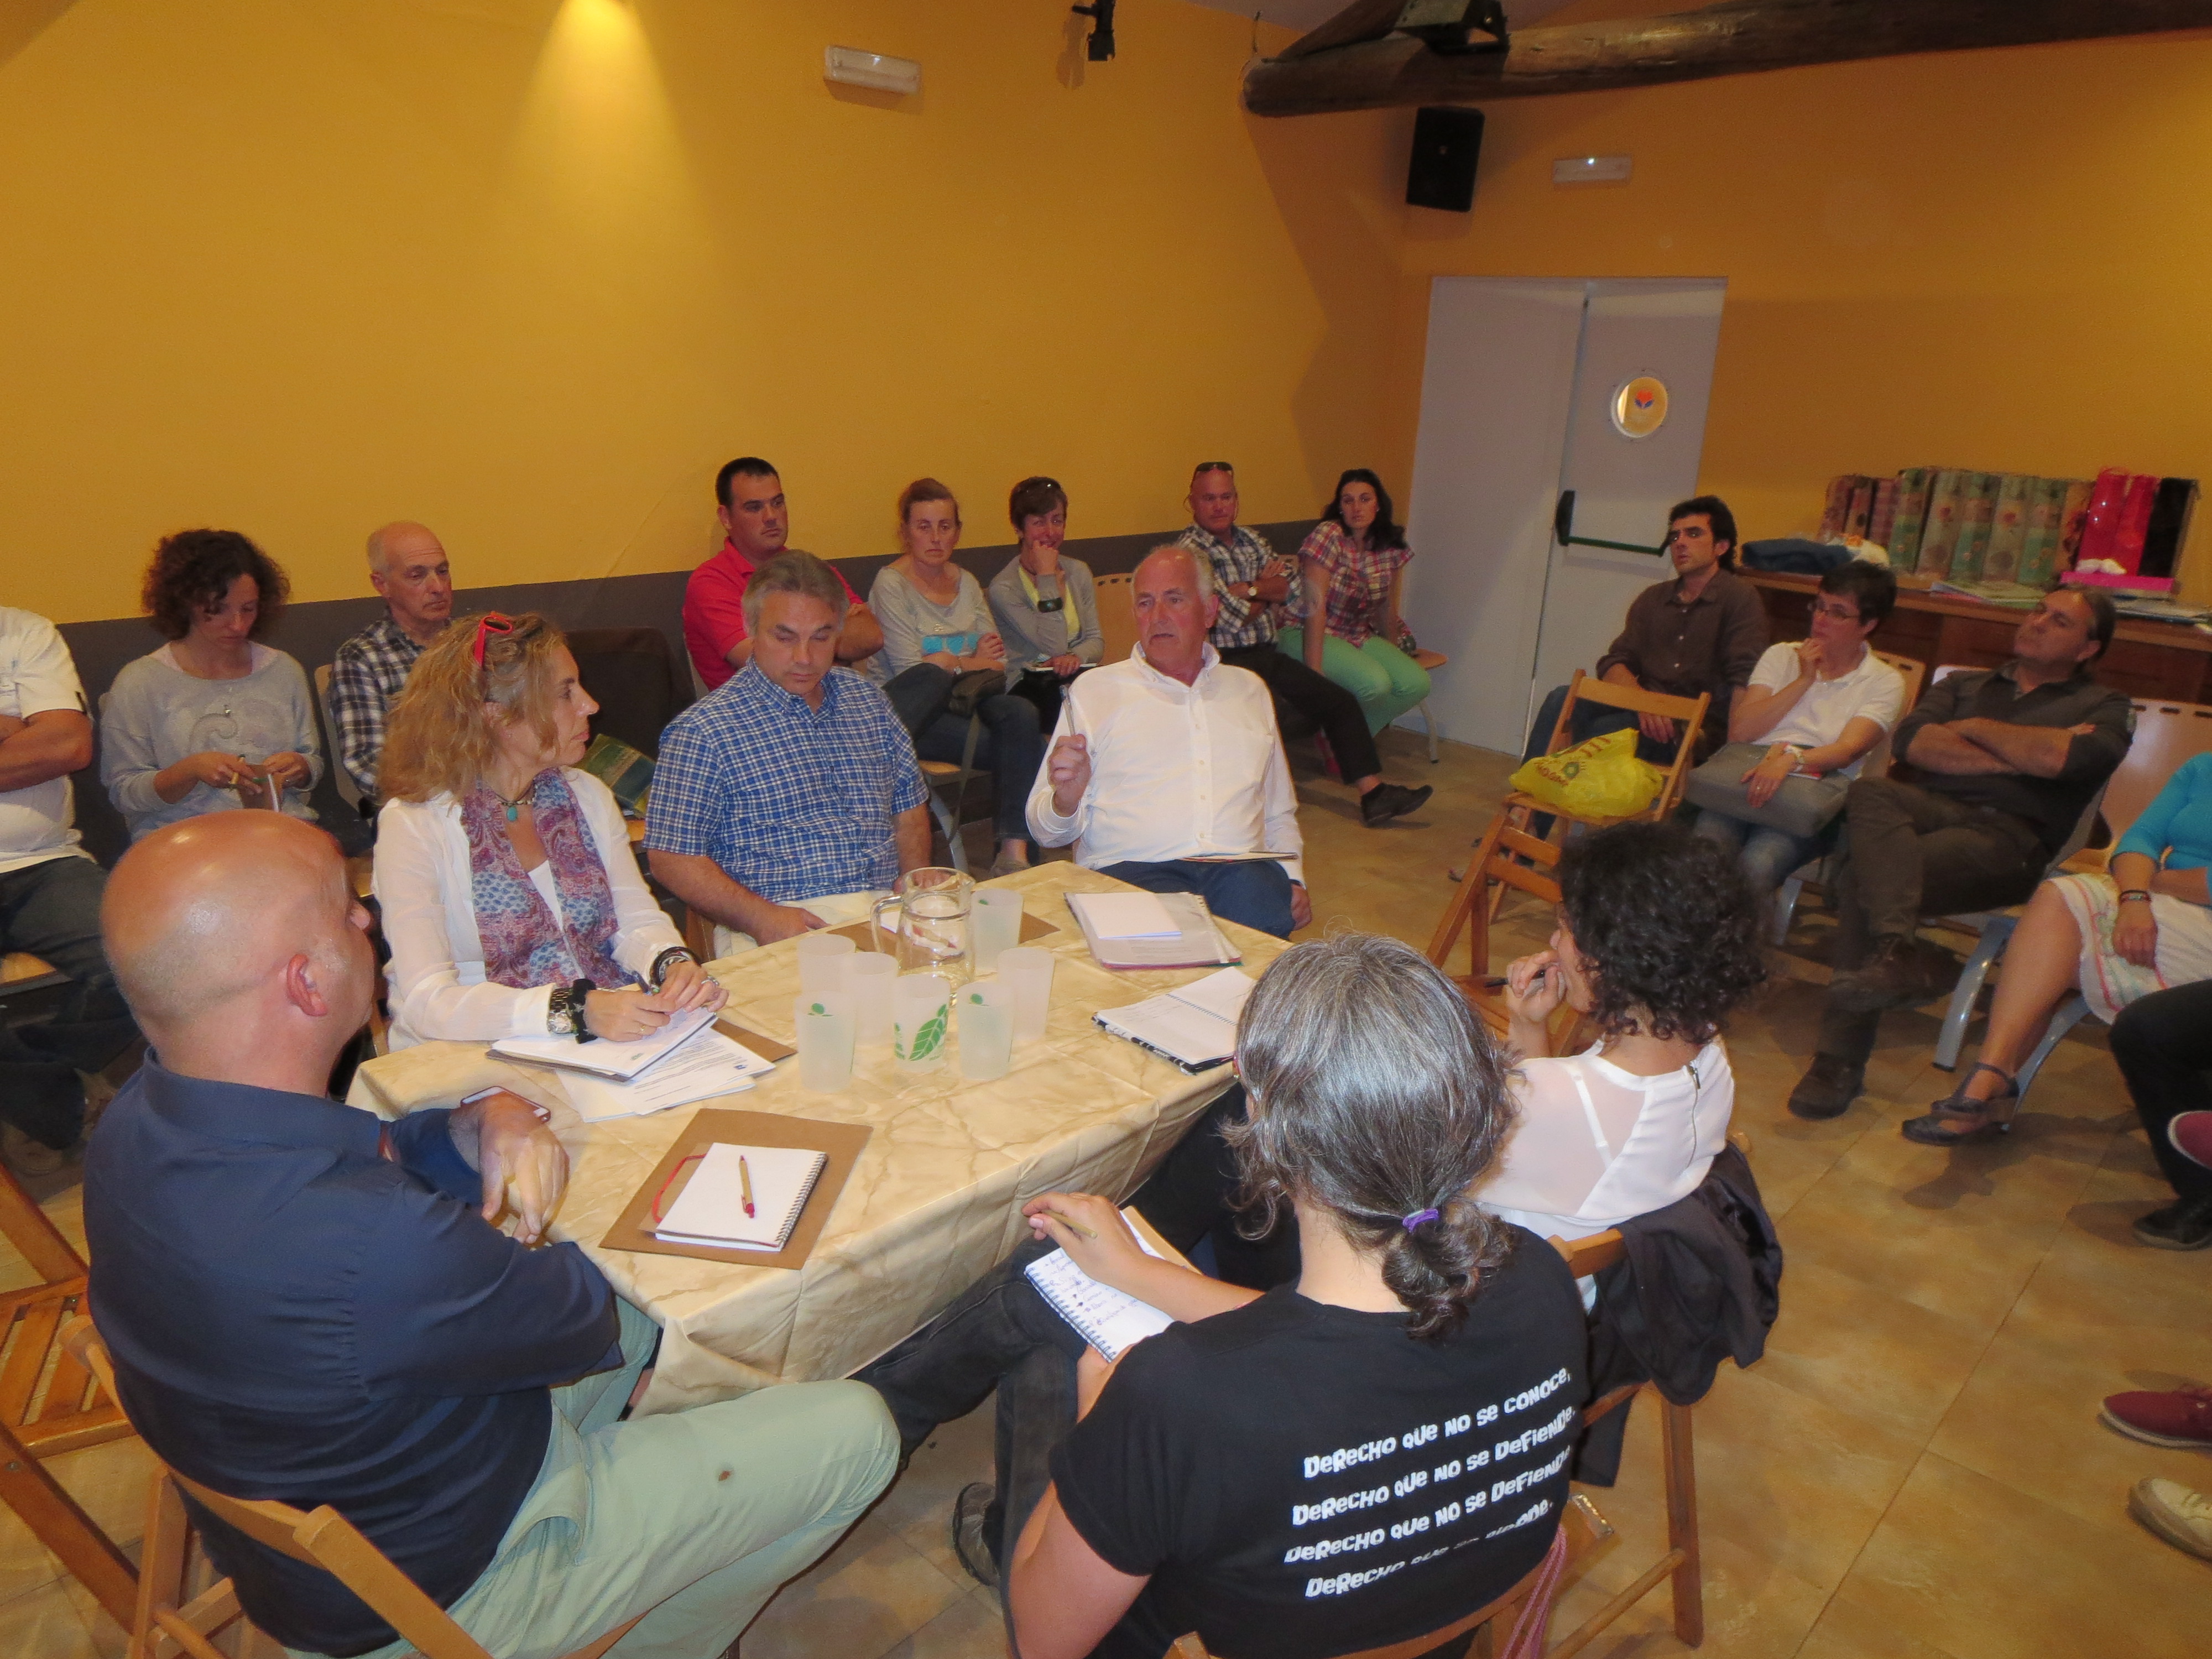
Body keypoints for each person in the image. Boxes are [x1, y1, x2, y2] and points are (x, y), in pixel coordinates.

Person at [84, 812, 896, 1659]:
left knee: (649, 1327)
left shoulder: (135, 1126)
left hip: (336, 1519)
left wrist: (486, 1115)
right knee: (853, 1431)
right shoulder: (372, 1242)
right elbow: (581, 1315)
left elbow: (385, 1154)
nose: (365, 918)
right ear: (306, 984)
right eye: (343, 910)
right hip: (449, 1585)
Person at [857, 932, 1588, 1659]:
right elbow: (1341, 1351)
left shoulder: (1176, 1397)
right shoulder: (1538, 1279)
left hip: (1178, 1631)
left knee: (1050, 1328)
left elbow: (1045, 1645)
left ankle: (953, 1493)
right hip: (1434, 1625)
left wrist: (1092, 1434)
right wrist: (1141, 1274)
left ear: (1260, 1117)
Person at [1788, 588, 2133, 1120]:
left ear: (2088, 649)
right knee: (1871, 792)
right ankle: (1898, 950)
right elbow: (1913, 743)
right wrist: (2026, 755)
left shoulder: (2106, 706)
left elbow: (2066, 760)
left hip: (2010, 840)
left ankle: (1839, 1060)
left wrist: (1971, 729)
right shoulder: (1963, 684)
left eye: (2060, 621)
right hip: (1927, 811)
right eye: (2038, 609)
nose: (2038, 621)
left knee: (1862, 877)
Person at [372, 612, 724, 1050]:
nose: (590, 705)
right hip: (474, 1051)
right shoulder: (414, 824)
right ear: (497, 716)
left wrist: (670, 964)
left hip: (600, 1034)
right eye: (565, 693)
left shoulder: (586, 795)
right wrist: (574, 1010)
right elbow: (427, 1000)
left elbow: (633, 920)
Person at [1481, 821, 1769, 1254]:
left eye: (1565, 928)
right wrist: (1527, 1024)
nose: (1555, 942)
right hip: (1620, 1269)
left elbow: (1440, 1177)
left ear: (1606, 957)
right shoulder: (1708, 1051)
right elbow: (1546, 1113)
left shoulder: (1564, 1101)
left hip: (1518, 1278)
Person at [1903, 751, 2212, 1150]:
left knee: (2056, 950)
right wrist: (2135, 898)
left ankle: (1989, 1091)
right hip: (2153, 899)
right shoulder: (2203, 766)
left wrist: (2155, 882)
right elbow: (2140, 840)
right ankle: (1989, 1075)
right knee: (2059, 897)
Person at [649, 552, 931, 955]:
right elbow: (671, 856)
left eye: (821, 637)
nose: (804, 657)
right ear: (751, 628)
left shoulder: (868, 701)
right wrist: (761, 918)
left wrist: (915, 881)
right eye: (784, 638)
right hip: (781, 921)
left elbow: (908, 807)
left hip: (887, 909)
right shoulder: (704, 732)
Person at [1029, 546, 1311, 938]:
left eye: (1174, 599)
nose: (1158, 616)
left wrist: (1294, 877)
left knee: (1261, 939)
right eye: (1146, 603)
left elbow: (1279, 810)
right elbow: (1046, 832)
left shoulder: (1249, 691)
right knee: (1172, 949)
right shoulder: (1095, 692)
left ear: (1209, 611)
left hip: (1239, 870)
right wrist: (1066, 801)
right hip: (1133, 870)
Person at [1177, 462, 1430, 825]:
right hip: (1221, 661)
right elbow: (1229, 617)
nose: (1219, 506)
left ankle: (1373, 794)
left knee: (1338, 700)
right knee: (1269, 714)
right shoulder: (1189, 554)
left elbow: (1295, 590)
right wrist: (1267, 592)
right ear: (1192, 503)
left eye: (1226, 497)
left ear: (1236, 500)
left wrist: (1249, 590)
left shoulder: (1251, 539)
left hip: (1267, 651)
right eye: (1209, 498)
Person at [0, 606, 135, 1166]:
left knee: (143, 950)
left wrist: (43, 738)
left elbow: (68, 746)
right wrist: (16, 731)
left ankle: (38, 1092)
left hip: (45, 863)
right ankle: (60, 1103)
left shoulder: (23, 632)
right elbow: (44, 742)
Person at [1691, 560, 1906, 896]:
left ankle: (1736, 932)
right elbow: (1742, 731)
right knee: (1706, 850)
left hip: (1814, 788)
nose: (1821, 619)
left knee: (1758, 863)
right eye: (1819, 606)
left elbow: (1848, 750)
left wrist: (1791, 760)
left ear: (1868, 624)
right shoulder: (1781, 656)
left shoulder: (1884, 681)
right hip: (1746, 769)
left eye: (1838, 613)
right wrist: (1804, 680)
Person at [867, 478, 1044, 878]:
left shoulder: (967, 583)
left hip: (969, 699)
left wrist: (950, 661)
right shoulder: (891, 585)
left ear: (958, 531)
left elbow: (998, 664)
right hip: (914, 713)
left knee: (1021, 712)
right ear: (905, 532)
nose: (935, 537)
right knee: (1024, 746)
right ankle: (1019, 861)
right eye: (924, 526)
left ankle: (1013, 853)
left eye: (945, 526)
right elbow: (915, 673)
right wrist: (969, 659)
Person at [100, 529, 322, 841]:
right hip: (183, 838)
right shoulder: (140, 682)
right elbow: (124, 792)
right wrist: (189, 771)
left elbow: (312, 760)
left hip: (280, 831)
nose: (238, 625)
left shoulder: (284, 671)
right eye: (217, 610)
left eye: (248, 608)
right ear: (186, 603)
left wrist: (301, 767)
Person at [1522, 496, 1767, 770]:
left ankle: (1561, 790)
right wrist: (1644, 703)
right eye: (1675, 536)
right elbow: (1615, 662)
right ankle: (1527, 790)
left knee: (1605, 729)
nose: (1680, 543)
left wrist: (1732, 751)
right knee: (1562, 698)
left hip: (1693, 726)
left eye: (1693, 534)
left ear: (1721, 546)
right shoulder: (1654, 598)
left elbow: (1744, 678)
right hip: (1644, 709)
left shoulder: (1740, 598)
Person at [682, 456, 884, 692]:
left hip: (833, 702)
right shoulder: (711, 582)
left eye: (777, 503)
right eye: (754, 507)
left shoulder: (807, 569)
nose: (771, 516)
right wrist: (835, 643)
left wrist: (798, 648)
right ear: (726, 518)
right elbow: (770, 667)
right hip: (755, 711)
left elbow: (872, 636)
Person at [1281, 468, 1432, 737]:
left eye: (1365, 499)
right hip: (1304, 630)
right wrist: (1314, 670)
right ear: (1340, 507)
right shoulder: (1328, 535)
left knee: (1416, 683)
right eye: (1348, 500)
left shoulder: (1388, 545)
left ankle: (1347, 741)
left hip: (1355, 634)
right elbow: (1315, 605)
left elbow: (1386, 607)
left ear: (1378, 504)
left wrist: (1392, 653)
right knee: (1375, 685)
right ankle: (1345, 744)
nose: (1356, 508)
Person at [328, 520, 455, 808]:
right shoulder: (362, 658)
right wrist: (447, 797)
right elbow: (368, 766)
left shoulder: (480, 645)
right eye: (417, 576)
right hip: (421, 808)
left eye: (443, 571)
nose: (438, 587)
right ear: (381, 584)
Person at [987, 474, 1103, 732]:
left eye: (1057, 521)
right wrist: (1048, 579)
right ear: (1019, 529)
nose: (1050, 532)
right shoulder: (1004, 589)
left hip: (1077, 675)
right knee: (1074, 709)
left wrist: (1075, 657)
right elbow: (1054, 646)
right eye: (1039, 523)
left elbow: (1095, 641)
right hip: (1030, 684)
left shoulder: (1079, 572)